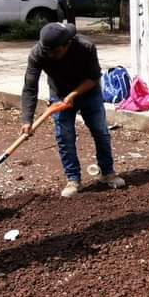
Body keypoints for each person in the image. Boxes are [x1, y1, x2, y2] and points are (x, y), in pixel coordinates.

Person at [20, 22, 125, 198]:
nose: (51, 55)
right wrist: (26, 120)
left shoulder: (85, 47)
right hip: (59, 96)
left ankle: (107, 173)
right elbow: (30, 87)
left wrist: (72, 96)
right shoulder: (38, 53)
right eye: (48, 52)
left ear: (67, 44)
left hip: (89, 93)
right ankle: (73, 180)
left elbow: (93, 77)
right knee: (64, 137)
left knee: (101, 132)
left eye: (55, 52)